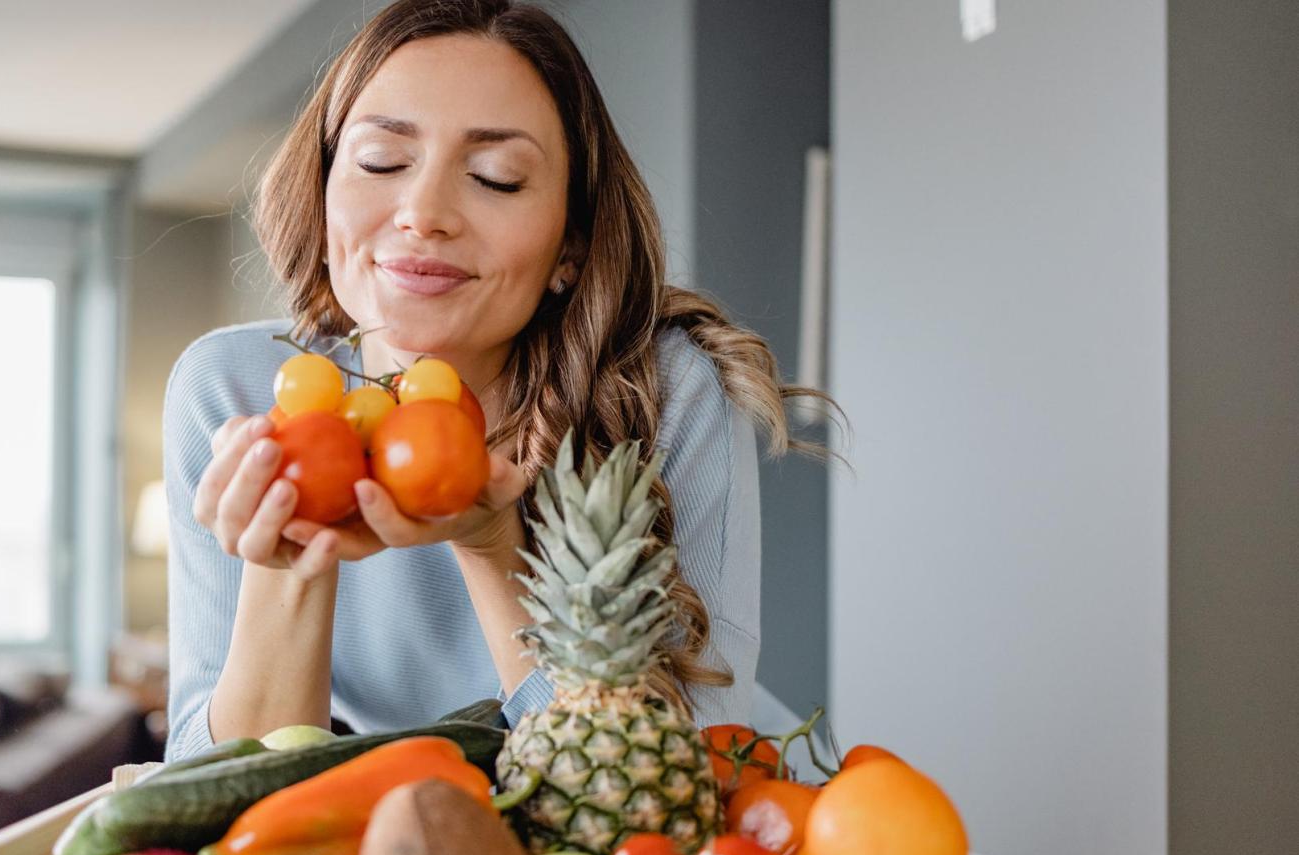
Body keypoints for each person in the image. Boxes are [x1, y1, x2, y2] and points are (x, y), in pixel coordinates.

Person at [162, 0, 838, 761]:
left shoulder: (666, 390)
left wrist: (492, 545)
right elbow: (209, 795)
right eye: (381, 161)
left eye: (497, 178)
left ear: (571, 247)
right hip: (433, 834)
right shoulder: (234, 390)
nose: (423, 213)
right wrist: (289, 561)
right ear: (321, 193)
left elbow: (688, 764)